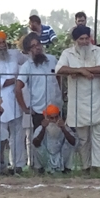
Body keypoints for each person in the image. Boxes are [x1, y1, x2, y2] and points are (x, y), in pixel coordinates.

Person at [56, 25, 100, 172]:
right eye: (81, 39)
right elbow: (59, 69)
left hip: (99, 101)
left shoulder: (97, 50)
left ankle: (98, 168)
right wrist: (80, 70)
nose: (85, 41)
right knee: (83, 139)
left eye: (87, 38)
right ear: (75, 40)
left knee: (99, 138)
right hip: (78, 103)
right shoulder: (67, 53)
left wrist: (79, 72)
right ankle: (86, 167)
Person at [17, 33, 61, 171]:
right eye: (33, 46)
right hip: (39, 110)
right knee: (38, 140)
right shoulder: (26, 66)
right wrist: (25, 108)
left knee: (56, 138)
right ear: (28, 50)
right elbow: (17, 88)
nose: (37, 48)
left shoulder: (52, 60)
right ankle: (39, 166)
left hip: (56, 108)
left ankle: (56, 166)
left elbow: (59, 78)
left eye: (38, 44)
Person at [0, 31, 24, 171]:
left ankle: (18, 165)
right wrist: (17, 79)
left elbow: (27, 62)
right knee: (0, 136)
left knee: (17, 136)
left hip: (16, 100)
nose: (2, 45)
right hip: (0, 103)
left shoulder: (15, 54)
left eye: (3, 42)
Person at [31, 104, 76, 174]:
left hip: (61, 157)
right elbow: (36, 143)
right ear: (46, 118)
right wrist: (43, 128)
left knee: (69, 143)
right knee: (36, 146)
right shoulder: (40, 128)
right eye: (51, 118)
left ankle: (67, 169)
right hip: (46, 157)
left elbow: (73, 142)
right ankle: (40, 169)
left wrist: (63, 128)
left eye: (56, 117)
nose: (54, 120)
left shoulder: (64, 127)